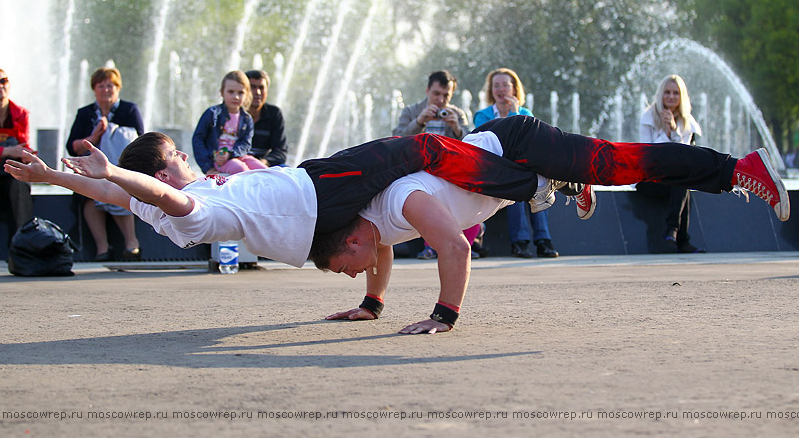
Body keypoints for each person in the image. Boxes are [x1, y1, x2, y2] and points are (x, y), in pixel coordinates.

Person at [6, 115, 787, 277]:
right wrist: (68, 176)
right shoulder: (188, 206)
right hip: (349, 180)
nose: (188, 168)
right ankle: (553, 182)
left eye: (177, 160)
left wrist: (77, 174)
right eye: (175, 162)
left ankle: (731, 165)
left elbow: (135, 194)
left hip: (483, 148)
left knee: (616, 160)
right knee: (422, 158)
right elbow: (148, 200)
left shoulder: (190, 190)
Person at [312, 116, 790, 335]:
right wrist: (372, 304)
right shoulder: (376, 227)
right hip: (512, 167)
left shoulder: (400, 202)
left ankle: (738, 168)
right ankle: (563, 179)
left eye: (343, 266)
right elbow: (385, 253)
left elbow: (457, 249)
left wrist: (444, 316)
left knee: (619, 164)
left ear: (352, 238)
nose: (350, 272)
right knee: (604, 168)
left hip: (515, 144)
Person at [474, 68, 558, 258]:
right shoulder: (482, 115)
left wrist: (515, 112)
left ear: (514, 89)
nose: (500, 89)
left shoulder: (526, 113)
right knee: (516, 187)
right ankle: (520, 243)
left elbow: (527, 144)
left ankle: (543, 240)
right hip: (495, 167)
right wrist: (512, 115)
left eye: (505, 85)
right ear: (491, 90)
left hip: (522, 166)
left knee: (539, 183)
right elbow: (495, 144)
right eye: (496, 85)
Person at [392, 70, 476, 259]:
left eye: (446, 95)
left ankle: (463, 240)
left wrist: (456, 127)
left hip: (446, 170)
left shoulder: (457, 113)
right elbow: (397, 139)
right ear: (427, 90)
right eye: (436, 94)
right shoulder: (412, 111)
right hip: (416, 169)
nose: (440, 100)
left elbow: (471, 146)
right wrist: (420, 121)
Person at [65, 67, 143, 261]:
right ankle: (102, 248)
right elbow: (71, 146)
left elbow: (142, 140)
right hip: (93, 170)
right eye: (102, 86)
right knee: (89, 196)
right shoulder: (86, 113)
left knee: (120, 191)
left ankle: (131, 243)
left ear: (118, 88)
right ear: (94, 89)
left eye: (111, 85)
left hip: (122, 168)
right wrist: (95, 137)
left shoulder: (129, 110)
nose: (106, 90)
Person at [637, 75, 704, 253]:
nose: (671, 97)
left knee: (682, 180)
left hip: (673, 178)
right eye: (667, 92)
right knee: (682, 181)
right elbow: (649, 153)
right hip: (649, 178)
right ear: (661, 95)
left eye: (676, 93)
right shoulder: (648, 117)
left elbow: (684, 155)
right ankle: (679, 237)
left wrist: (674, 130)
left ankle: (674, 232)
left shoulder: (687, 121)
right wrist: (665, 132)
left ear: (682, 97)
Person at [192, 71, 267, 175]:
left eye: (240, 93)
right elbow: (198, 139)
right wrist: (207, 167)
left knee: (266, 171)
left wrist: (231, 154)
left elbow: (245, 144)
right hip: (218, 158)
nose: (236, 97)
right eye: (231, 92)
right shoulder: (212, 114)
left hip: (237, 155)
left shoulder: (246, 119)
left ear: (247, 94)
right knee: (242, 170)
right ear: (222, 92)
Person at [0, 68, 35, 237]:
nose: (0, 86)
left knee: (21, 185)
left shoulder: (21, 114)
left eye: (3, 81)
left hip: (10, 172)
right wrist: (7, 150)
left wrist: (26, 155)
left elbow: (24, 145)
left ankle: (25, 243)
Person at [244, 70, 288, 167]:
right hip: (236, 165)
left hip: (262, 166)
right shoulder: (233, 114)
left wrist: (264, 162)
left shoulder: (274, 114)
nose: (258, 92)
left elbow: (280, 151)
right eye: (253, 87)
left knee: (287, 171)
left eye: (261, 87)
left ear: (267, 91)